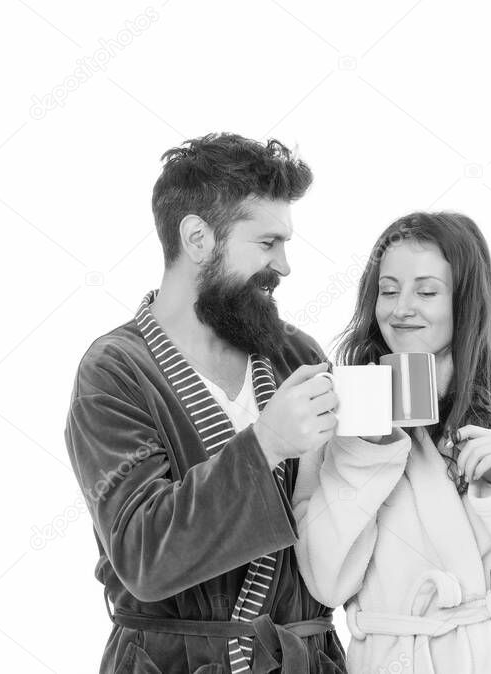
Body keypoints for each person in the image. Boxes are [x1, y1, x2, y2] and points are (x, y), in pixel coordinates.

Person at [64, 133, 348, 673]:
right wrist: (267, 443)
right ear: (197, 237)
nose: (284, 266)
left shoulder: (294, 354)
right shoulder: (115, 372)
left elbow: (339, 519)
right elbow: (144, 555)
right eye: (267, 243)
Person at [291, 212, 491, 674]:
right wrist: (364, 456)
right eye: (389, 290)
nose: (401, 308)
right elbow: (325, 584)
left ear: (465, 303)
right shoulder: (338, 435)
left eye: (428, 291)